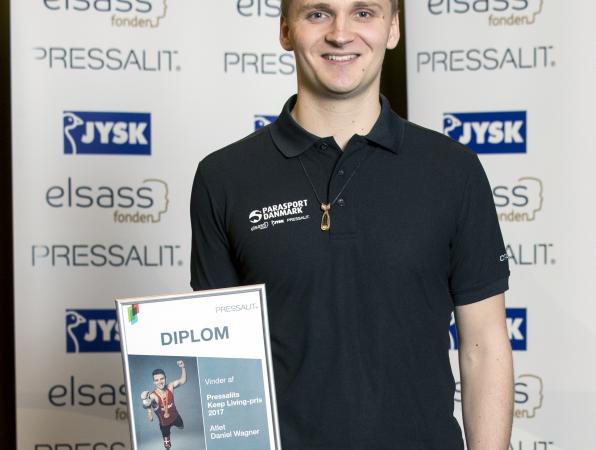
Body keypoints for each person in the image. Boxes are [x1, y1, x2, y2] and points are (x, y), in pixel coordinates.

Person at [190, 0, 513, 448]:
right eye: (317, 13)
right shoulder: (223, 178)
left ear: (393, 29)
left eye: (364, 12)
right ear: (285, 31)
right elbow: (216, 362)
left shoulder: (453, 171)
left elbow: (484, 347)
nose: (341, 34)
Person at [141, 360, 187, 449]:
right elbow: (146, 404)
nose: (160, 382)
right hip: (164, 424)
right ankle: (167, 440)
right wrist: (144, 399)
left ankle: (177, 424)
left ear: (165, 378)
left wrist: (183, 367)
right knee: (167, 446)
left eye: (162, 379)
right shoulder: (154, 395)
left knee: (182, 426)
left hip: (175, 417)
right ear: (154, 382)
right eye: (156, 380)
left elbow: (183, 380)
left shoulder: (170, 386)